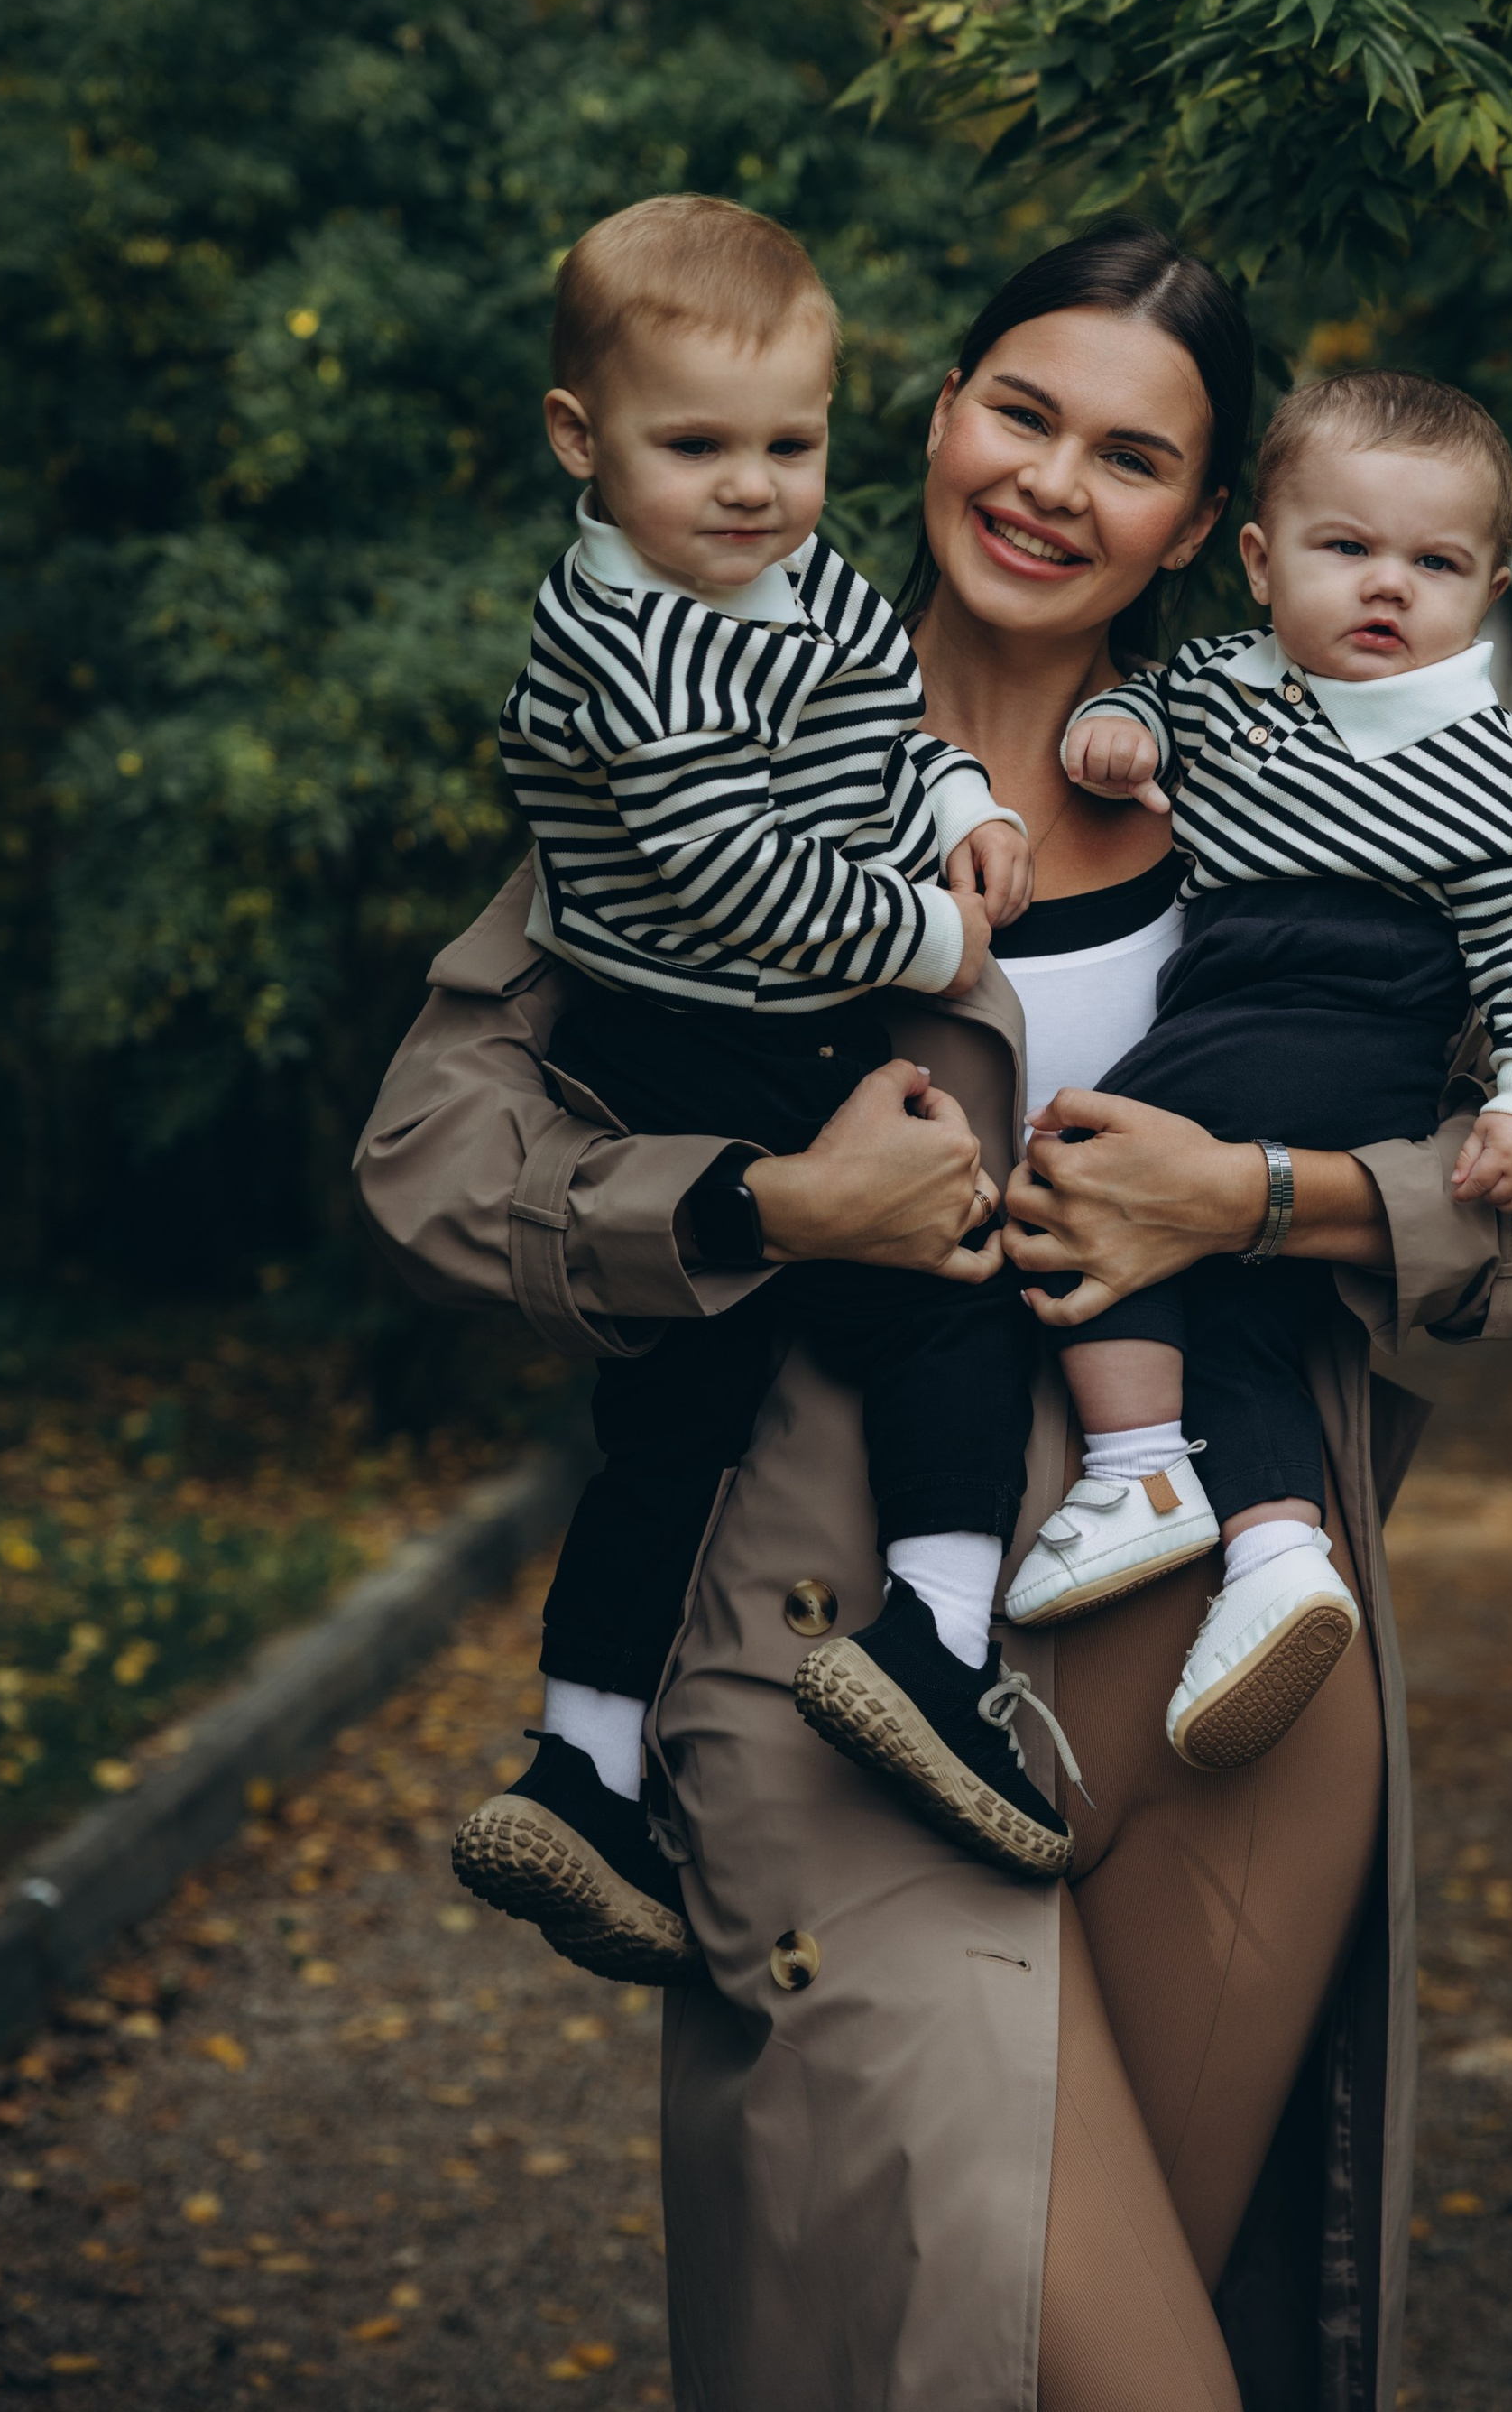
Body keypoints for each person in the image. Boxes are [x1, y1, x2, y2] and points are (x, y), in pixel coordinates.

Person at [354, 225, 1512, 2412]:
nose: (1054, 483)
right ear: (937, 416)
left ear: (1204, 524)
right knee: (1072, 2371)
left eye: (1131, 455)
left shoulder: (1297, 773)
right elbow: (434, 1159)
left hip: (1230, 1682)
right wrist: (773, 1200)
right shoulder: (715, 751)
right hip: (841, 1684)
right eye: (1020, 413)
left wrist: (1252, 1198)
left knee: (1143, 2356)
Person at [455, 191, 1063, 1989]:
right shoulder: (625, 645)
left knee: (689, 1411)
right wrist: (933, 943)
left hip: (752, 1022)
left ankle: (602, 1755)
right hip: (677, 1041)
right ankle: (894, 1660)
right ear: (583, 439)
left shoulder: (797, 582)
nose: (752, 487)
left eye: (788, 444)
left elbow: (883, 718)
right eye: (695, 445)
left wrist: (958, 808)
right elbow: (741, 881)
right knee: (936, 1305)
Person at [1000, 366, 1512, 1779]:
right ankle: (1277, 1550)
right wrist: (1120, 732)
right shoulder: (1223, 684)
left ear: (1491, 593)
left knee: (1084, 1169)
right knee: (1242, 1296)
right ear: (1261, 563)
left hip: (1346, 994)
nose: (1389, 588)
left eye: (1435, 564)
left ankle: (1136, 1463)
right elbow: (1147, 716)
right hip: (1250, 988)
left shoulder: (1488, 760)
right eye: (1349, 549)